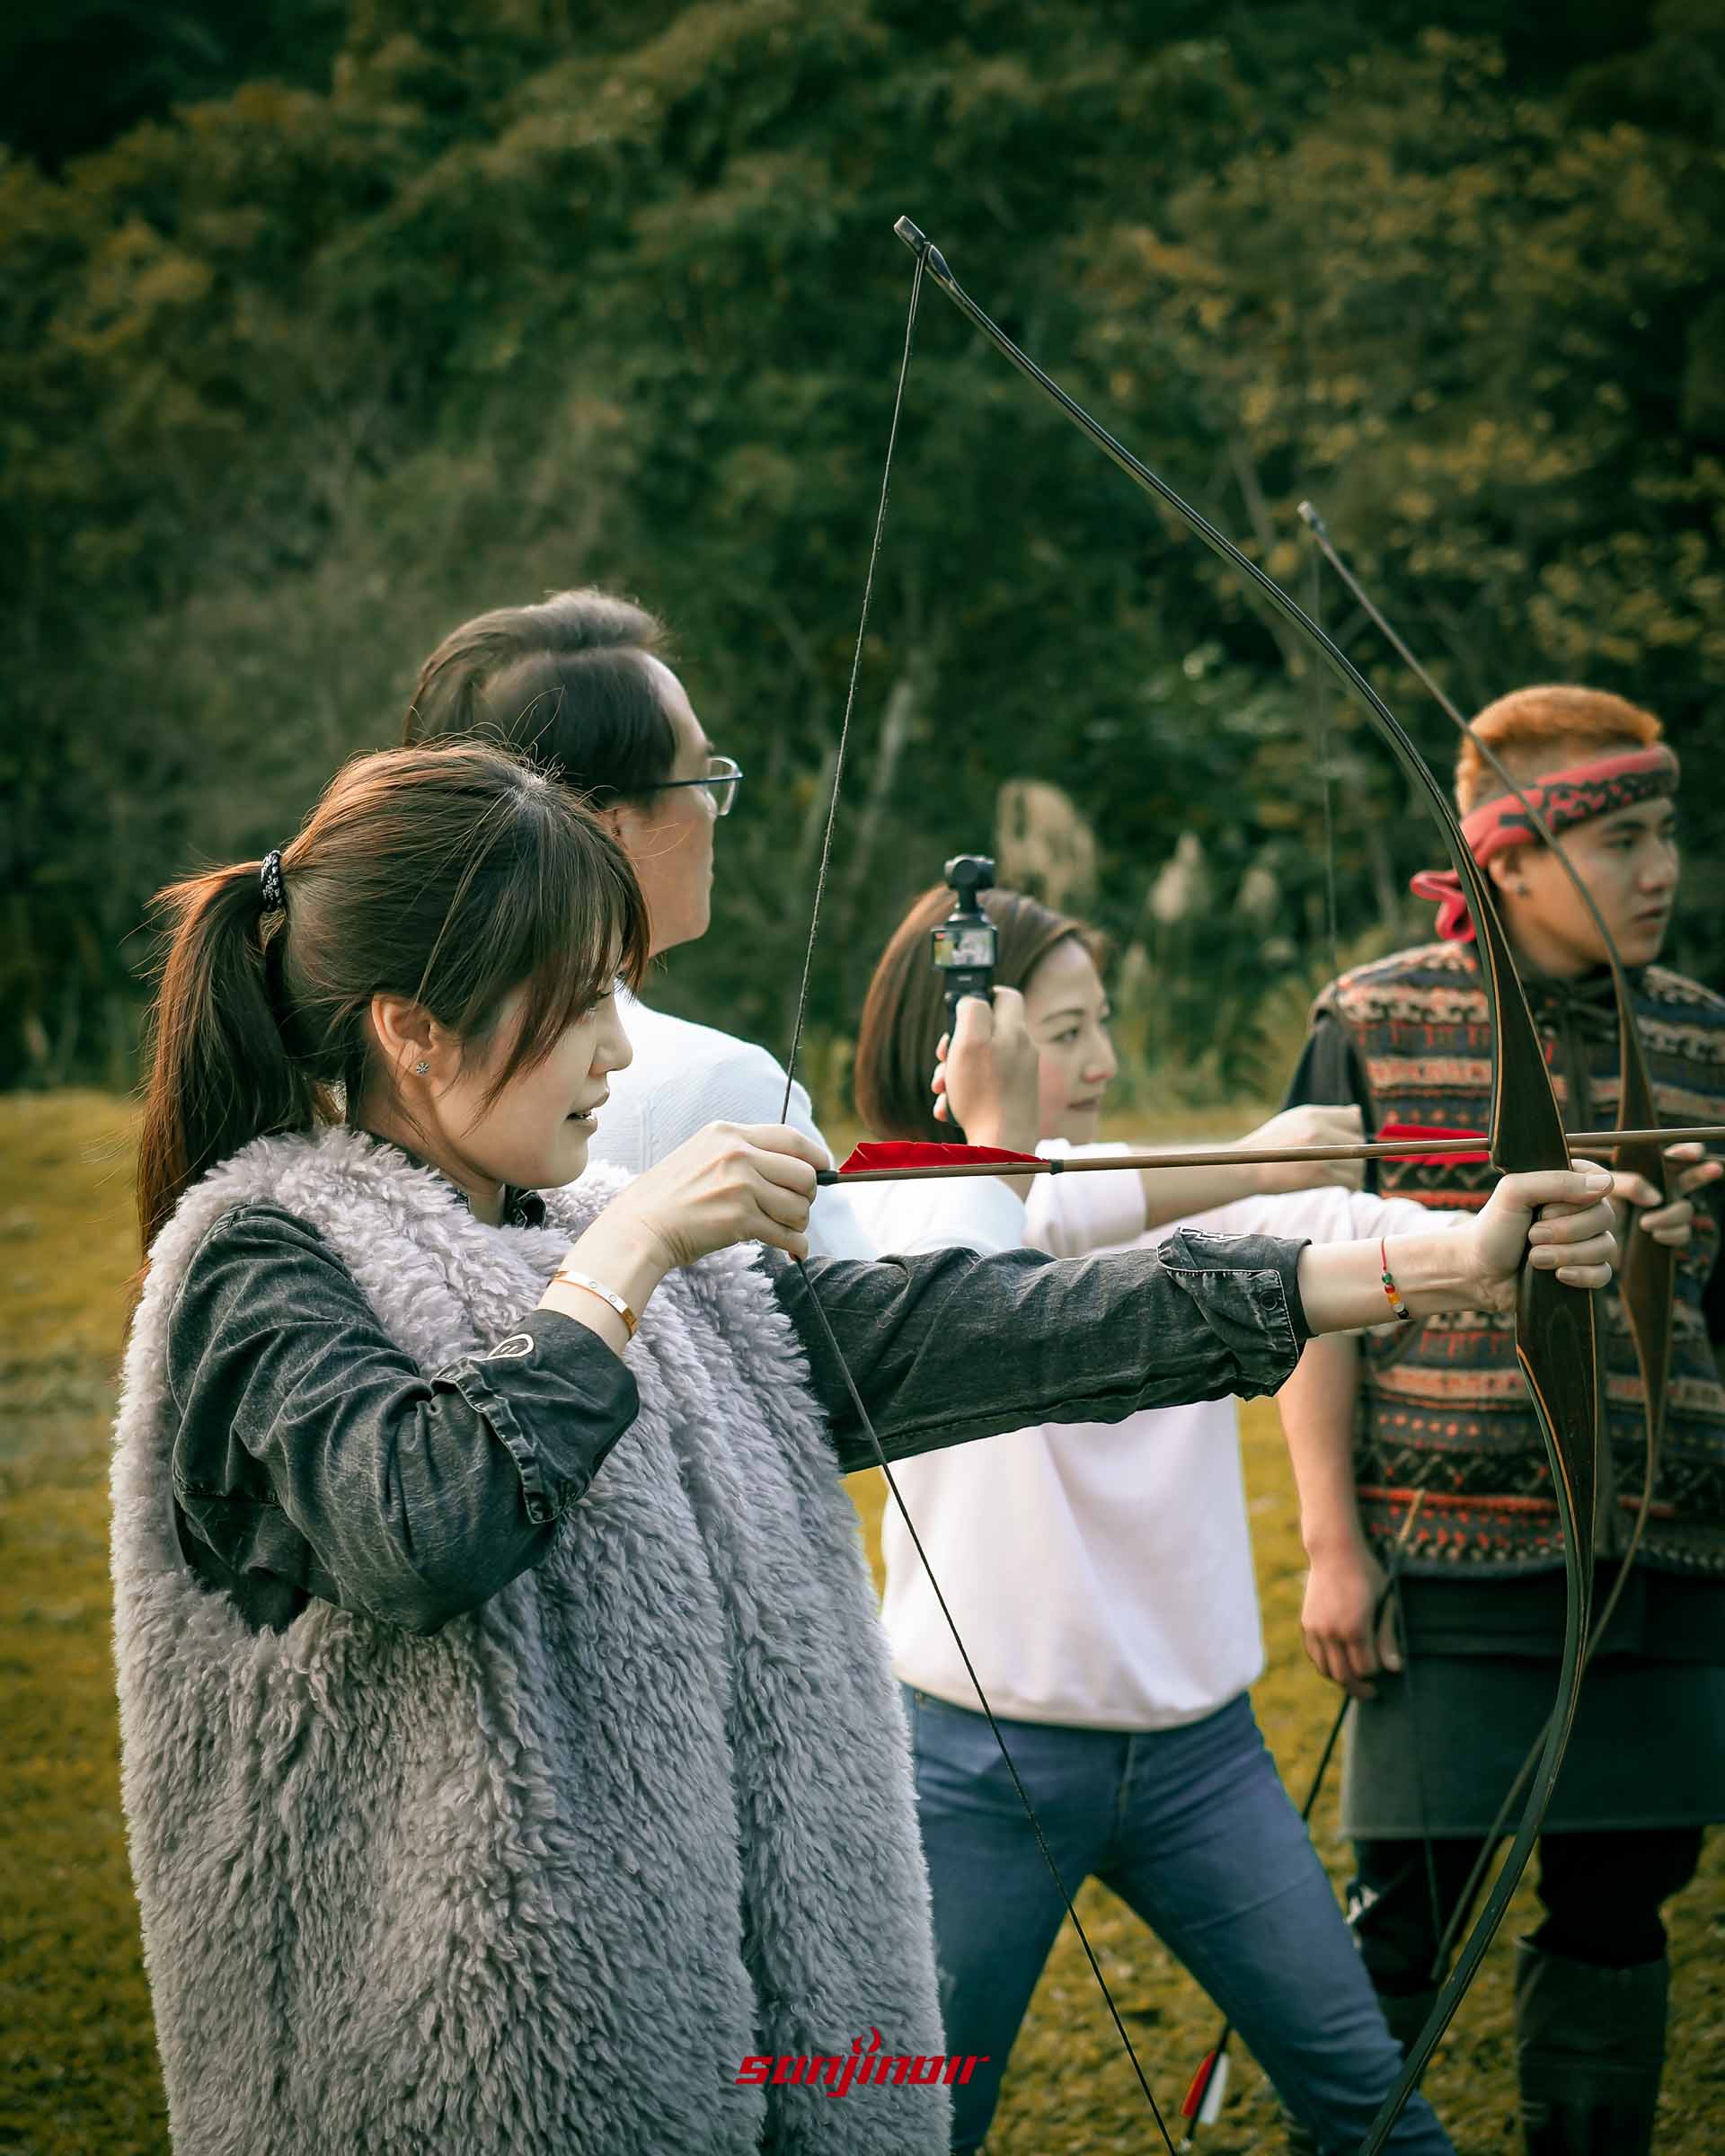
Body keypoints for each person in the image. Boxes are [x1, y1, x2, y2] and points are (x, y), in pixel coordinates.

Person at [112, 741, 1618, 2156]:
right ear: (414, 1029)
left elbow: (1005, 1330)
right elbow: (423, 1528)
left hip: (692, 2021)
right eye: (573, 1004)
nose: (611, 1050)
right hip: (437, 2076)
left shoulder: (605, 1264)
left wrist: (1445, 1266)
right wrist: (630, 1246)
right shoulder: (269, 1262)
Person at [848, 882, 1473, 2156]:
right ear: (962, 1051)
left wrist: (1526, 1230)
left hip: (1203, 1761)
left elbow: (1358, 1228)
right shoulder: (892, 1213)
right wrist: (1247, 1150)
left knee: (1373, 2108)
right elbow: (1012, 1220)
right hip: (973, 1768)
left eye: (1100, 1024)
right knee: (909, 2127)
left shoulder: (1191, 1206)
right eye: (1062, 1031)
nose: (1104, 1062)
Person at [1279, 684, 1725, 2156]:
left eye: (1670, 835)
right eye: (1625, 841)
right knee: (1404, 1918)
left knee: (1622, 1898)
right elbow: (1303, 1298)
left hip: (1659, 1559)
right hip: (1447, 1566)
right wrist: (1334, 1546)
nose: (1663, 869)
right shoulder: (1374, 1020)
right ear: (1510, 859)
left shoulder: (1704, 1039)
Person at [402, 585, 871, 1255]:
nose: (714, 808)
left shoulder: (369, 1082)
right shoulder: (719, 1089)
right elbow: (872, 1344)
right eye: (701, 778)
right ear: (609, 830)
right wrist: (994, 1169)